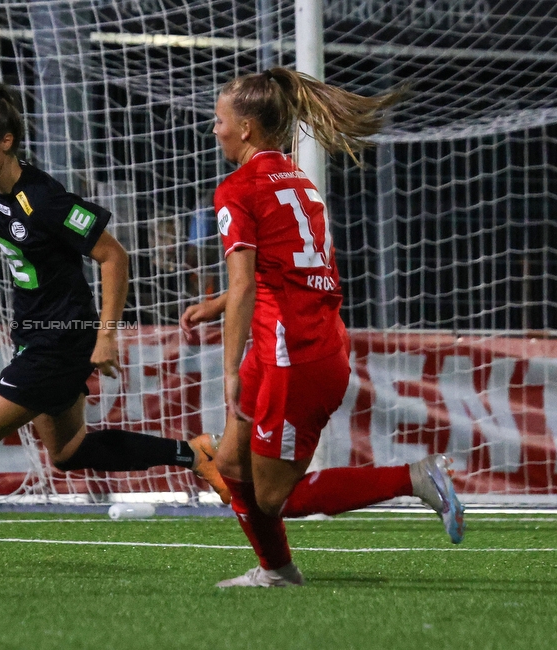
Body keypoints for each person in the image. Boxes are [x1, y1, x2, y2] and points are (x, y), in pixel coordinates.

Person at [0, 85, 229, 579]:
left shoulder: (47, 200)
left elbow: (115, 256)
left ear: (7, 142)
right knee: (70, 452)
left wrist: (107, 336)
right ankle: (192, 453)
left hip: (63, 339)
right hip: (35, 336)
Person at [186, 67, 465, 588]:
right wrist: (219, 303)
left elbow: (247, 285)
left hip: (293, 356)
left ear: (246, 128)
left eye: (219, 120)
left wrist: (227, 373)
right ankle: (279, 572)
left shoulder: (236, 189)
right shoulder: (296, 180)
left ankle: (414, 477)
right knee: (229, 465)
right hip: (303, 341)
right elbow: (287, 270)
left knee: (273, 496)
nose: (215, 129)